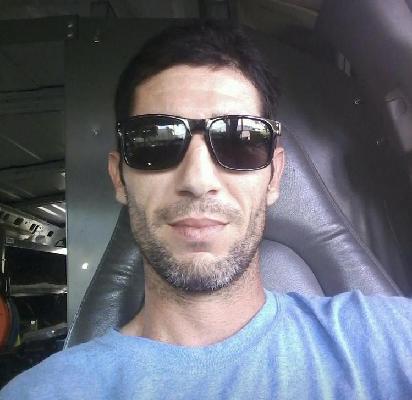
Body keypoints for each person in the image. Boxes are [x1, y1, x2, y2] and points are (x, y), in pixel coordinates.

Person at [1, 20, 412, 400]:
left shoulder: (386, 338)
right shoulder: (44, 393)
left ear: (273, 177)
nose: (198, 180)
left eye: (240, 140)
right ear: (119, 178)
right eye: (156, 142)